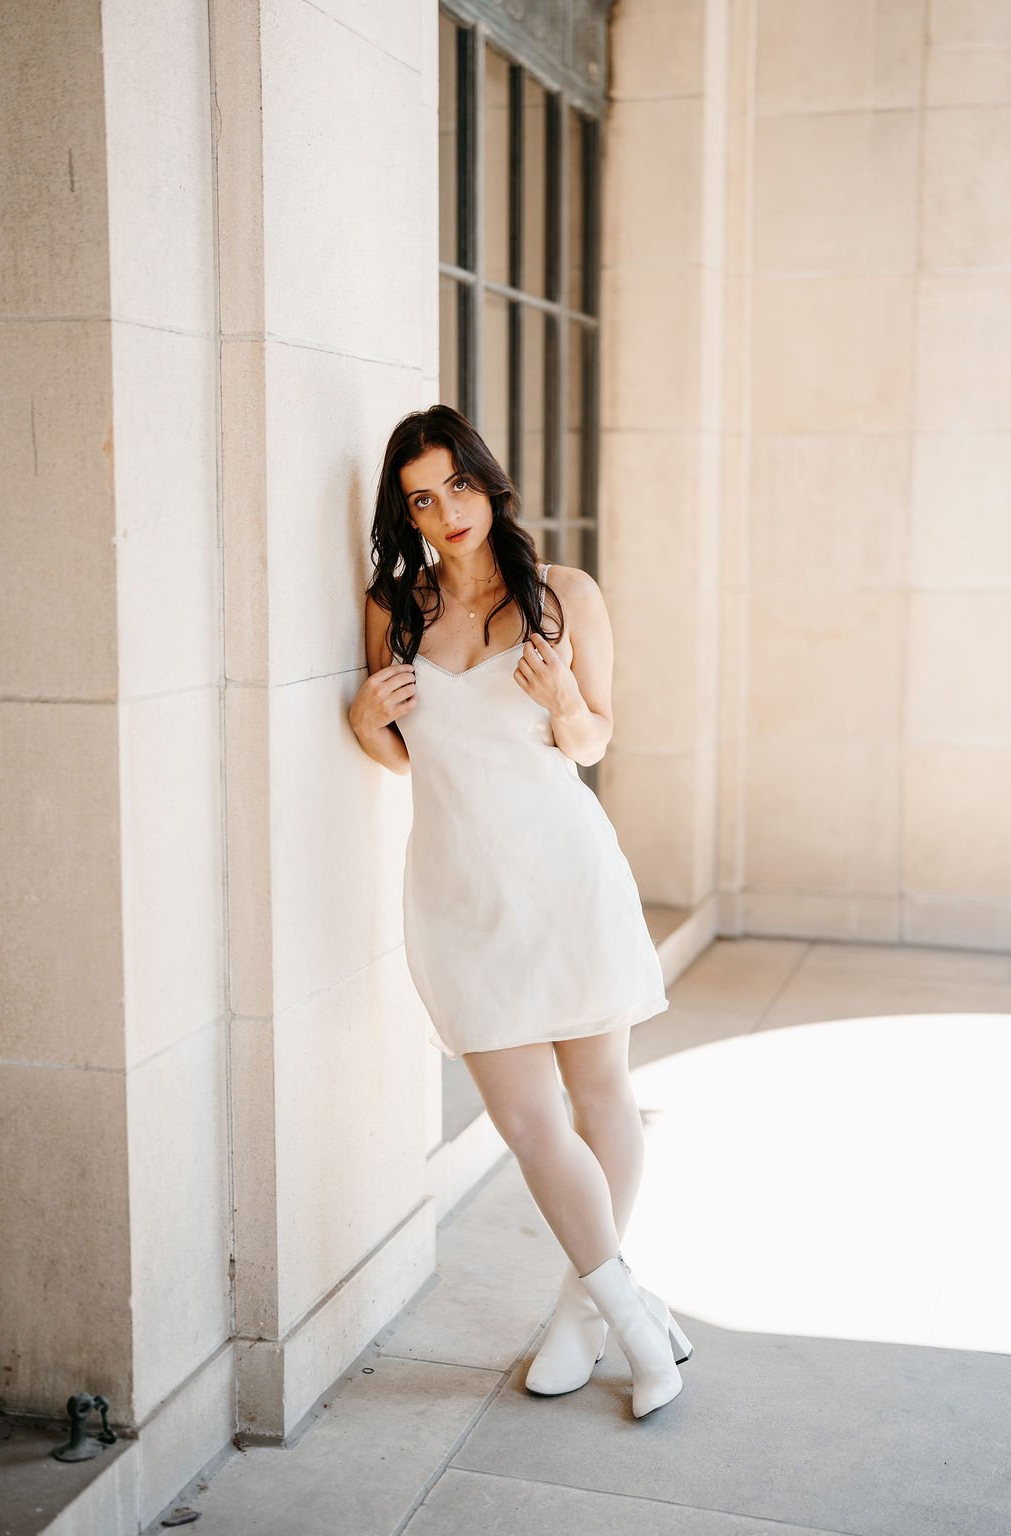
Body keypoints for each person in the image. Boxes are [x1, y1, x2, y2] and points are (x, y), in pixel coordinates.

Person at [347, 404, 693, 1418]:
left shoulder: (563, 596)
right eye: (421, 495)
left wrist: (562, 701)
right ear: (404, 511)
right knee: (525, 1119)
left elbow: (591, 742)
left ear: (487, 483)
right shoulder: (395, 609)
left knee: (601, 1099)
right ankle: (634, 1318)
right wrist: (363, 718)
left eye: (457, 484)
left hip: (566, 875)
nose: (445, 510)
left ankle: (583, 1317)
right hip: (460, 892)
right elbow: (400, 755)